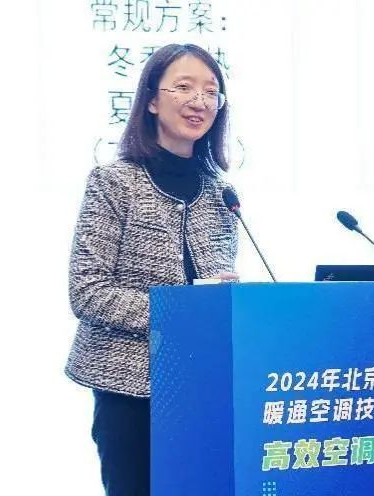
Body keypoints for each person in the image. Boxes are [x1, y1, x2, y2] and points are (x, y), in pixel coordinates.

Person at [65, 43, 239, 496]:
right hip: (127, 387)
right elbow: (88, 291)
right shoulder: (113, 182)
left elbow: (213, 287)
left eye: (211, 92)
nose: (199, 101)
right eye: (184, 87)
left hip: (201, 384)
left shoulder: (222, 193)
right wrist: (179, 312)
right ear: (152, 101)